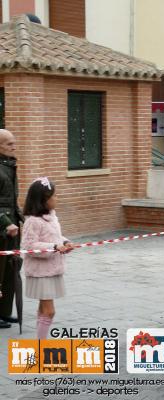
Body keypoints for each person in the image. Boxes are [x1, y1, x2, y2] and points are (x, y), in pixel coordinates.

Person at [21, 178, 76, 339]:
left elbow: (55, 236)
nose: (57, 198)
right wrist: (53, 247)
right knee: (49, 311)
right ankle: (41, 346)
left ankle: (40, 342)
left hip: (52, 269)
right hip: (40, 272)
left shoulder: (52, 216)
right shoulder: (32, 221)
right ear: (43, 200)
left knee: (43, 310)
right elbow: (29, 246)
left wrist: (65, 242)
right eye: (54, 196)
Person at [0, 129, 22, 329]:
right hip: (3, 228)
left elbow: (11, 201)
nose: (14, 147)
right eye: (9, 144)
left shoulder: (10, 167)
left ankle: (4, 313)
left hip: (13, 228)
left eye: (14, 143)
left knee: (11, 270)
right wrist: (6, 222)